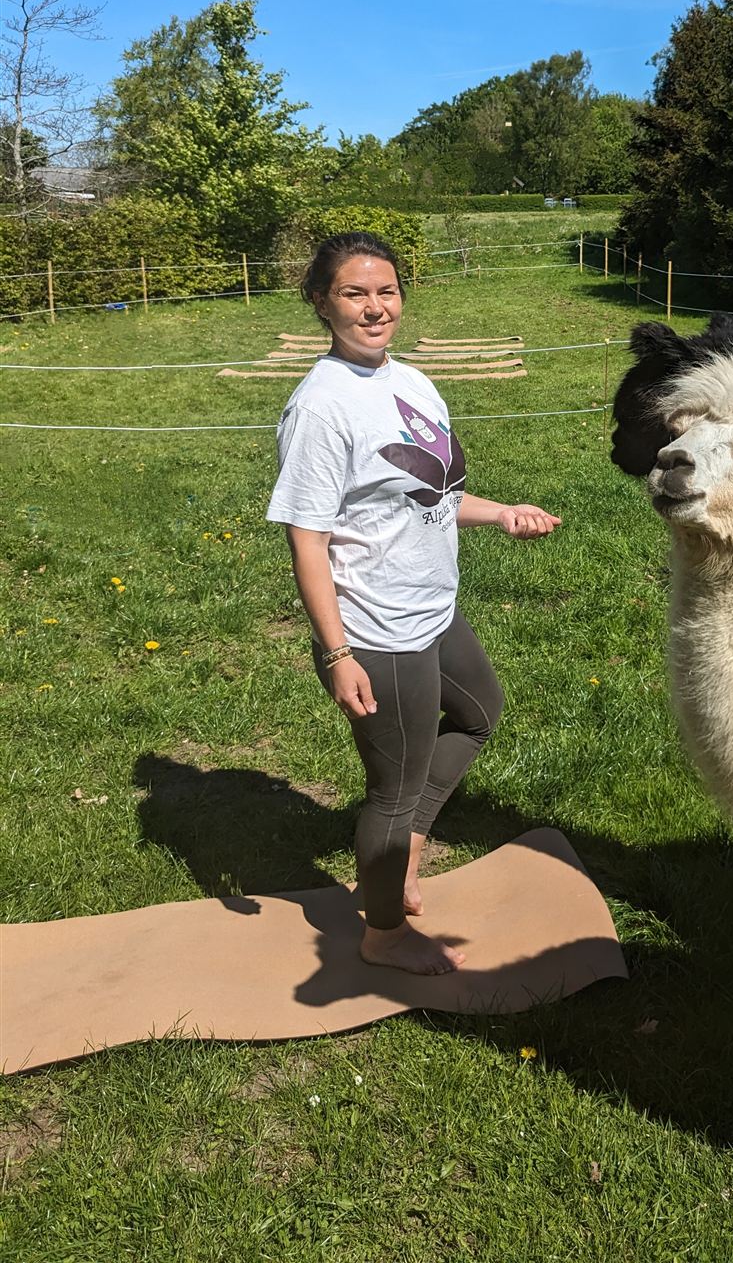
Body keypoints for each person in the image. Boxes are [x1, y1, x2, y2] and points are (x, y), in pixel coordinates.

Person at [267, 231, 560, 975]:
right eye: (354, 293)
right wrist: (337, 652)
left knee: (479, 713)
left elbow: (434, 496)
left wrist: (499, 513)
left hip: (431, 608)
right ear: (321, 302)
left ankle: (409, 849)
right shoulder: (321, 407)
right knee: (393, 788)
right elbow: (308, 540)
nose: (375, 307)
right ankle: (386, 934)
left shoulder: (412, 383)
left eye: (386, 291)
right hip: (376, 628)